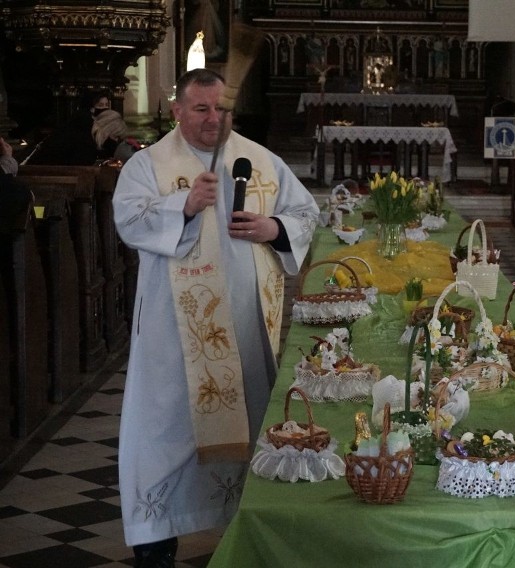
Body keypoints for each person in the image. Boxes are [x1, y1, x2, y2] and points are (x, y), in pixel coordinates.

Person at [112, 68, 319, 567]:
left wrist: (273, 226)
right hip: (171, 339)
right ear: (176, 110)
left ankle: (244, 537)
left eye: (221, 109)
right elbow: (129, 220)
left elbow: (306, 212)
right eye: (200, 109)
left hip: (247, 332)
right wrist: (181, 207)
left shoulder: (260, 160)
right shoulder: (147, 166)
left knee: (248, 423)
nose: (212, 119)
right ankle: (156, 541)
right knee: (164, 431)